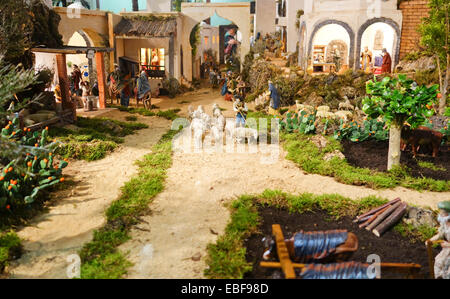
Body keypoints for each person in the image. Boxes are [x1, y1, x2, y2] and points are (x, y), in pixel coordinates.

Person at [427, 201, 450, 279]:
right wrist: (430, 240)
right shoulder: (444, 224)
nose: (440, 214)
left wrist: (448, 245)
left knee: (448, 268)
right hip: (447, 250)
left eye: (443, 213)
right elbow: (440, 234)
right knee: (438, 262)